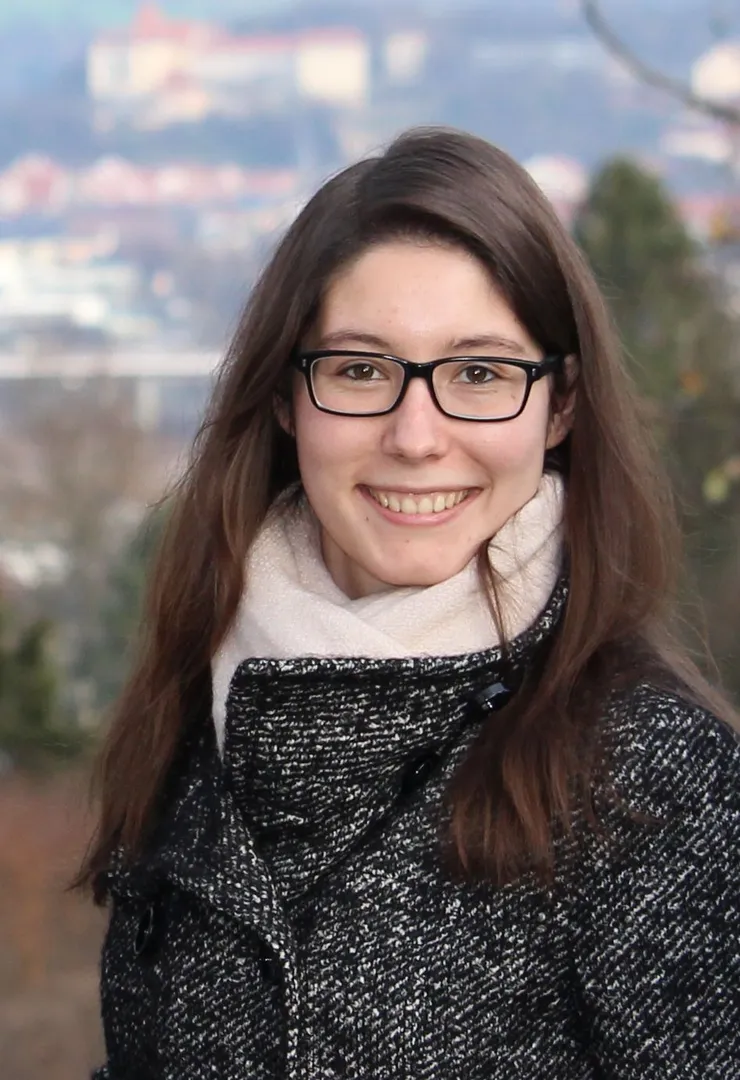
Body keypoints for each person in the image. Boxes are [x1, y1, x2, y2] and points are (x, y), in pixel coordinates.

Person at [78, 127, 740, 1080]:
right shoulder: (199, 709)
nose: (416, 436)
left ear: (559, 405)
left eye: (480, 373)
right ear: (285, 398)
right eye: (360, 370)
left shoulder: (650, 777)